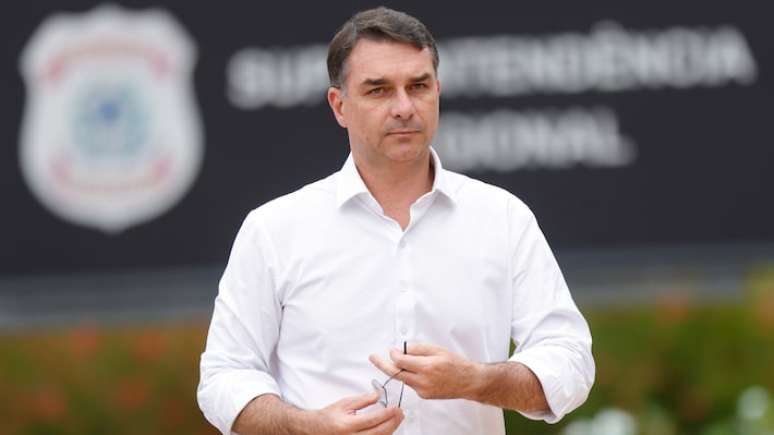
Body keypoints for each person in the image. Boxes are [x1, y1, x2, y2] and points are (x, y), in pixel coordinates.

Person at [197, 6, 594, 435]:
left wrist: (475, 381)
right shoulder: (275, 230)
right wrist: (306, 427)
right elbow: (224, 376)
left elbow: (569, 361)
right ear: (339, 106)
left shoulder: (502, 217)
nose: (404, 107)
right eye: (379, 90)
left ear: (437, 91)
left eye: (418, 86)